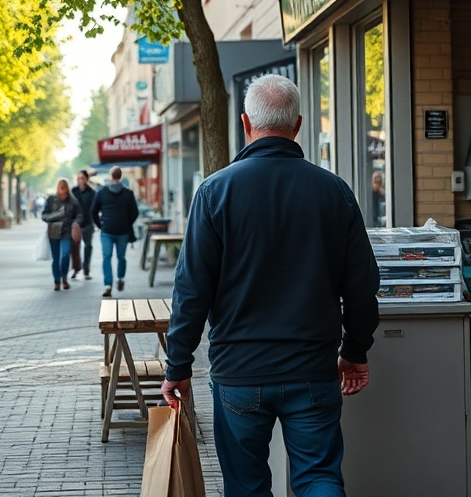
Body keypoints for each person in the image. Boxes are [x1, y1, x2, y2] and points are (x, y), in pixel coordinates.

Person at [160, 74, 380, 497]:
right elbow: (361, 285)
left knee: (246, 486)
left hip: (239, 372)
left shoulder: (214, 193)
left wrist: (178, 366)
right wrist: (354, 352)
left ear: (245, 123)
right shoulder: (334, 192)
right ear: (297, 125)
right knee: (319, 478)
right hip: (312, 369)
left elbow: (191, 291)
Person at [90, 166, 139, 297]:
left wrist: (100, 225)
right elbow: (135, 212)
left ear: (111, 177)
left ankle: (108, 285)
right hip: (123, 230)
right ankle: (121, 278)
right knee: (121, 257)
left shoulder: (102, 192)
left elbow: (93, 211)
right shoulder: (128, 193)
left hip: (107, 230)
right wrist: (127, 223)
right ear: (120, 176)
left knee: (106, 257)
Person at [40, 178, 83, 291]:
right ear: (58, 188)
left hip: (67, 231)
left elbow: (79, 214)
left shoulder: (73, 200)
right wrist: (57, 215)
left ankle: (64, 277)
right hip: (53, 232)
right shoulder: (51, 200)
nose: (63, 192)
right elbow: (44, 216)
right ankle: (57, 280)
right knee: (56, 258)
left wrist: (76, 222)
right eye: (61, 189)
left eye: (65, 189)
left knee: (65, 254)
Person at [70, 170, 97, 280]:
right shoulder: (73, 191)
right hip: (75, 224)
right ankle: (76, 269)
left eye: (82, 178)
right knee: (75, 248)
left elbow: (94, 209)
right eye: (78, 178)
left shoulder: (92, 192)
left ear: (86, 179)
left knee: (88, 246)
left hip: (88, 223)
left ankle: (86, 270)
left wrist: (95, 222)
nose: (80, 180)